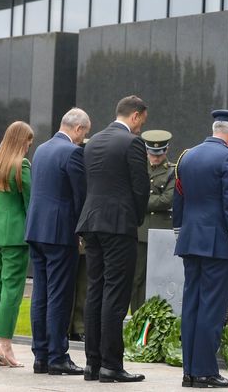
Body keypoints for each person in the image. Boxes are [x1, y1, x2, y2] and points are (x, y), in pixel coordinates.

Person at [173, 109, 228, 388]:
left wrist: (181, 235)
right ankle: (205, 371)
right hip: (217, 244)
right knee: (212, 309)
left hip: (190, 242)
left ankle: (189, 372)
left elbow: (178, 200)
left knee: (192, 305)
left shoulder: (187, 155)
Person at [76, 95, 149, 383]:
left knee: (95, 290)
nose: (141, 127)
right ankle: (111, 365)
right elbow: (140, 188)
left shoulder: (91, 142)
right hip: (118, 224)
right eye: (142, 121)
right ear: (135, 115)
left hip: (92, 222)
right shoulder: (131, 142)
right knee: (116, 295)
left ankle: (91, 364)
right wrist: (136, 218)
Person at [25, 108, 90, 375]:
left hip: (37, 230)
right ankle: (57, 357)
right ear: (77, 129)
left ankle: (40, 355)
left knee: (40, 294)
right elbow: (80, 197)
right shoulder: (72, 152)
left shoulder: (41, 149)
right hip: (60, 233)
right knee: (60, 296)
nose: (83, 138)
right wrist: (83, 232)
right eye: (84, 133)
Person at [0, 121, 34, 368]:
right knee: (11, 291)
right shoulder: (21, 165)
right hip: (14, 236)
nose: (28, 147)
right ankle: (6, 347)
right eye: (28, 142)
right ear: (21, 141)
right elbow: (30, 203)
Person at [132, 130, 175, 314]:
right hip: (140, 231)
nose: (155, 157)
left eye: (159, 154)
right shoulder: (139, 167)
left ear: (166, 150)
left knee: (161, 277)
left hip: (162, 231)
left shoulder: (172, 171)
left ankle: (159, 317)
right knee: (137, 278)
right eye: (152, 153)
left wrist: (142, 202)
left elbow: (168, 199)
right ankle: (138, 316)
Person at [69, 139, 89, 343]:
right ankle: (70, 326)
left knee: (82, 285)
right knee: (72, 285)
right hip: (74, 235)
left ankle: (78, 326)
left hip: (83, 238)